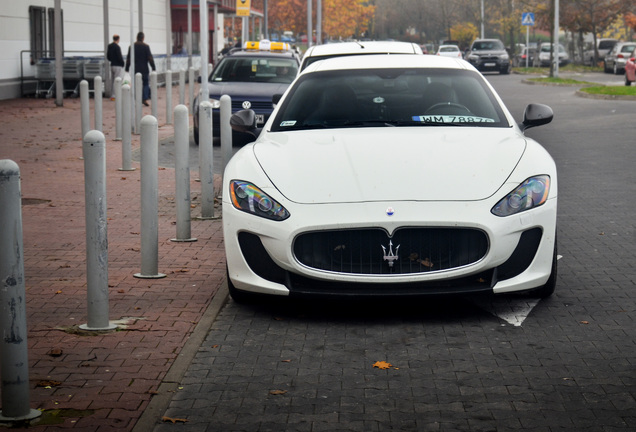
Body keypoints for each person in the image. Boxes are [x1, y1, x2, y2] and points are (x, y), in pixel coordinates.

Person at [125, 32, 156, 106]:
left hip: (135, 69)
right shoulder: (146, 46)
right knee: (145, 84)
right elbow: (150, 58)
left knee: (136, 84)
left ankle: (137, 98)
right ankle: (145, 98)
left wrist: (127, 68)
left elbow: (128, 59)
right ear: (143, 38)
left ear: (137, 37)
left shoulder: (131, 47)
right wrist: (153, 67)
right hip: (144, 69)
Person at [106, 34, 124, 99]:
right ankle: (115, 95)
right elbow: (119, 57)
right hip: (118, 65)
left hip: (112, 65)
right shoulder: (117, 47)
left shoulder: (109, 46)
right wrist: (122, 63)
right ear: (118, 39)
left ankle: (112, 95)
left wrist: (112, 60)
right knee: (117, 80)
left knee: (112, 80)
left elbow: (108, 56)